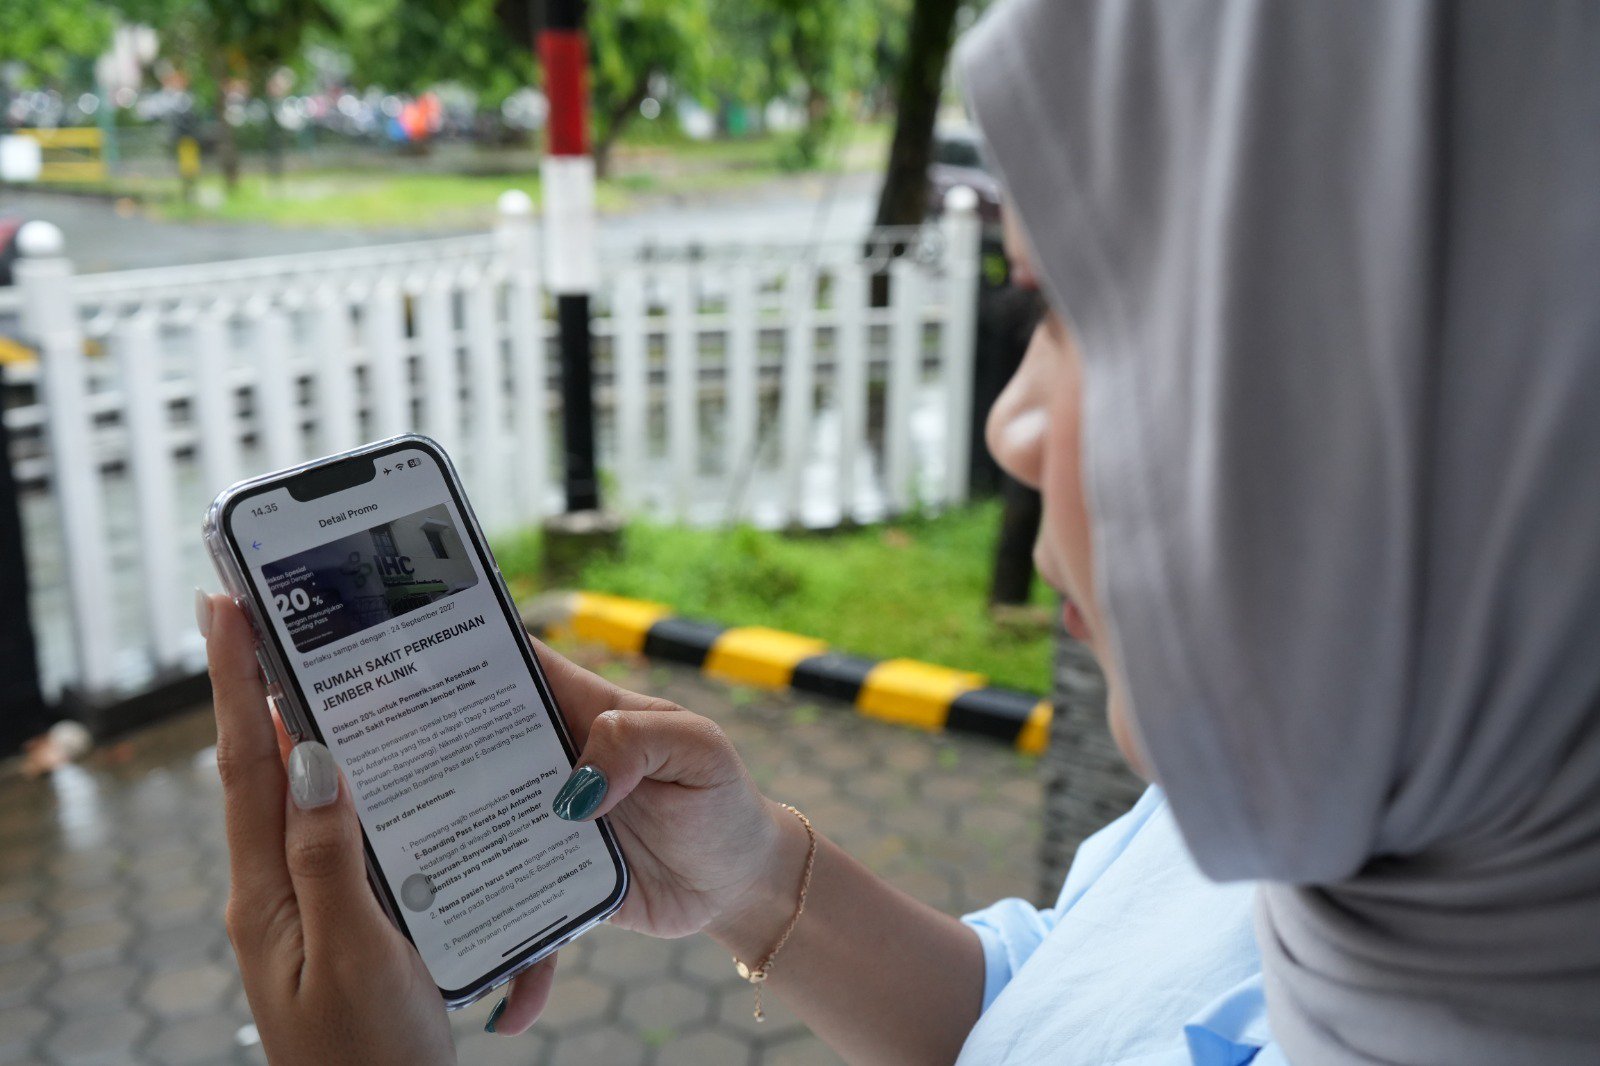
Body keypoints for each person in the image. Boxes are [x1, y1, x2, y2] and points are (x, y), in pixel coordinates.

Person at [195, 0, 1600, 1062]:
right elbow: (1049, 1011)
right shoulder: (1349, 784)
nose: (1013, 426)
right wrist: (755, 875)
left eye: (1080, 312)